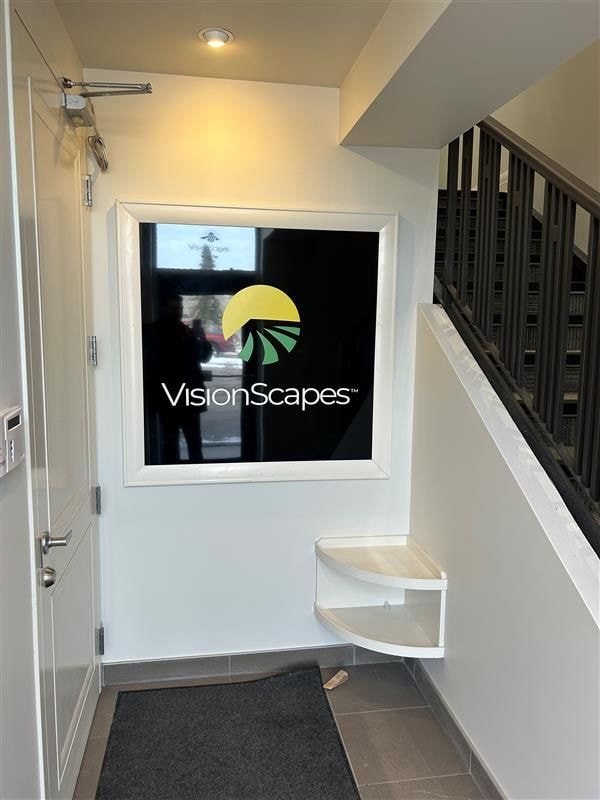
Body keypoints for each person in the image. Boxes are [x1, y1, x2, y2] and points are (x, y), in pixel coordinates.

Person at [144, 294, 212, 463]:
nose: (178, 312)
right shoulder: (152, 332)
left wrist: (201, 337)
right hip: (168, 398)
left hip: (187, 397)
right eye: (174, 308)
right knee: (171, 444)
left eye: (180, 308)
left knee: (192, 443)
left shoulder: (186, 332)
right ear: (163, 309)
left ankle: (195, 471)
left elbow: (204, 357)